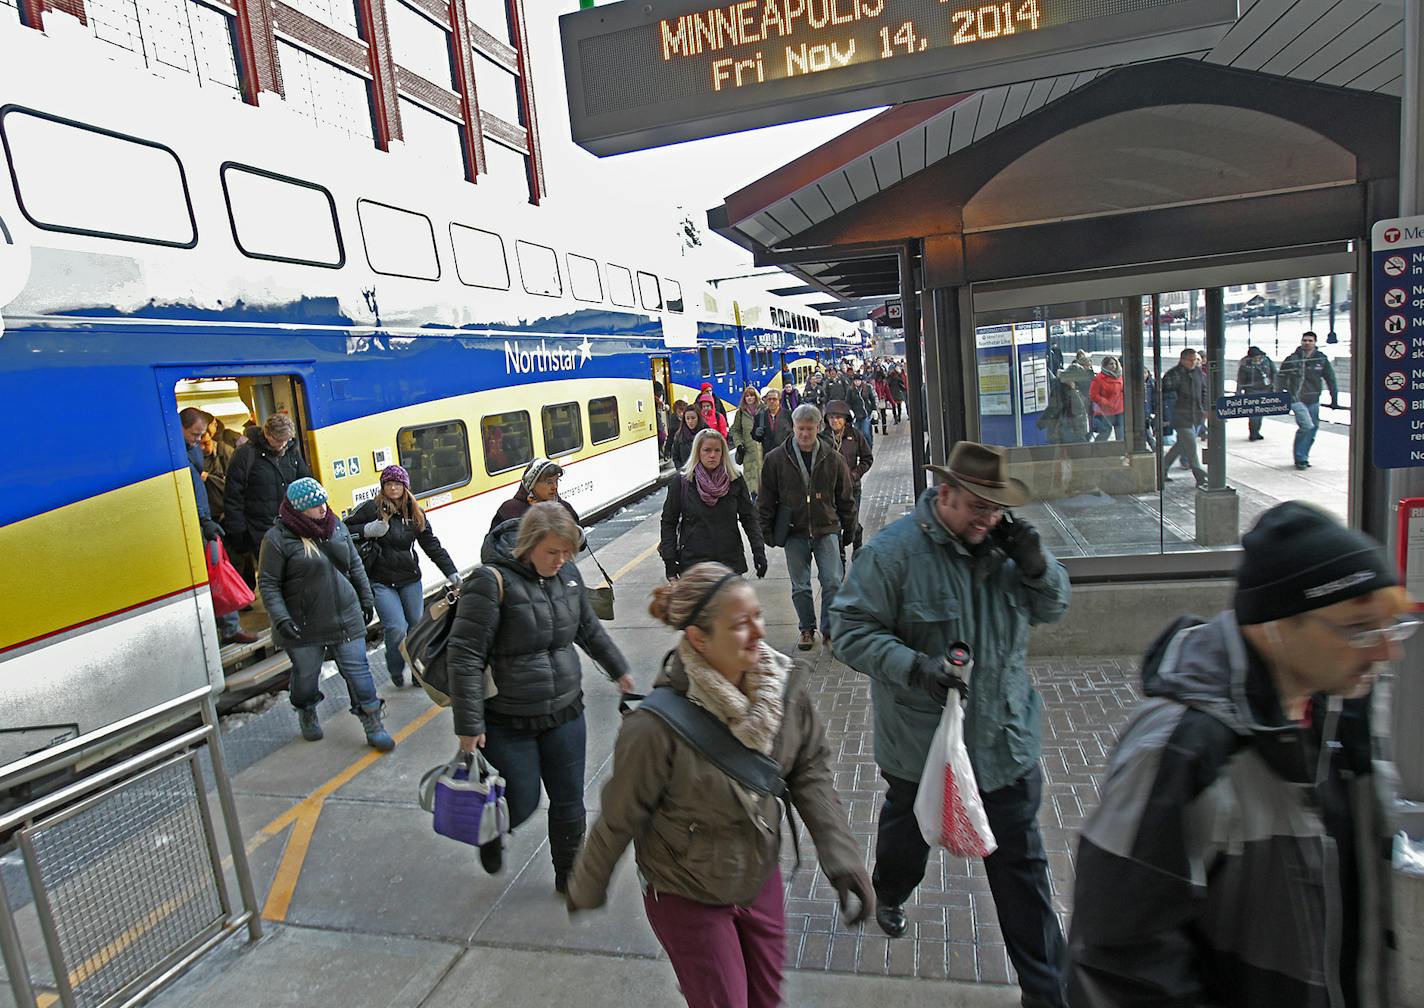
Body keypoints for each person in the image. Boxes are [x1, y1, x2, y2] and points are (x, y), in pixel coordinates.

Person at [1068, 502, 1411, 1008]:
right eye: (1358, 628)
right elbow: (1115, 961)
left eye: (1391, 627)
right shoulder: (1181, 752)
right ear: (1275, 624)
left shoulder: (1345, 719)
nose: (1387, 651)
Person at [829, 441, 1071, 1008]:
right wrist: (913, 668)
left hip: (1003, 746)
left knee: (1024, 880)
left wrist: (1039, 567)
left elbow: (1054, 607)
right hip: (923, 752)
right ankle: (890, 891)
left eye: (996, 508)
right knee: (907, 842)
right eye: (977, 507)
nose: (989, 519)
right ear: (945, 496)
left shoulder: (1007, 546)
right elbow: (849, 631)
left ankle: (1049, 994)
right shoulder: (893, 555)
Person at [567, 565, 874, 1008]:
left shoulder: (783, 689)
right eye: (739, 624)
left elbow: (809, 770)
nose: (757, 632)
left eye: (756, 616)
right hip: (684, 890)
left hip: (756, 875)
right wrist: (587, 883)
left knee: (766, 1000)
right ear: (698, 639)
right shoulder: (654, 729)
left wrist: (842, 857)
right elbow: (620, 815)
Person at [447, 502, 634, 886]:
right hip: (507, 719)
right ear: (528, 544)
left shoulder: (567, 574)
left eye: (567, 552)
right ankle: (493, 832)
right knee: (522, 800)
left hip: (565, 710)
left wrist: (619, 670)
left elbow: (588, 628)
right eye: (553, 552)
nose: (561, 560)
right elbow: (464, 656)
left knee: (569, 802)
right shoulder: (489, 582)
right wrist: (468, 725)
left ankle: (569, 874)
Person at [258, 477, 392, 751]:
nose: (322, 509)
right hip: (303, 623)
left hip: (345, 615)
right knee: (306, 675)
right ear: (298, 510)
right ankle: (306, 708)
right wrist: (281, 617)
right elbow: (269, 583)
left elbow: (355, 565)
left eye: (323, 501)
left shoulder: (336, 526)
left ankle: (372, 720)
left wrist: (366, 598)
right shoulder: (277, 539)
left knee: (358, 671)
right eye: (315, 505)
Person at [345, 464, 461, 687]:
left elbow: (431, 545)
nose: (393, 488)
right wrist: (367, 529)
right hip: (380, 580)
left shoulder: (414, 512)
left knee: (416, 626)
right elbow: (343, 530)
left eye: (398, 484)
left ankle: (419, 673)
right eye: (389, 484)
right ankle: (396, 669)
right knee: (396, 627)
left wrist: (451, 571)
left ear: (405, 487)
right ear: (382, 487)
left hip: (409, 579)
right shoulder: (371, 508)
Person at [757, 404, 855, 652]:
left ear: (818, 428)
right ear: (793, 427)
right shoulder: (776, 459)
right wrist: (766, 531)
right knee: (800, 585)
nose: (804, 434)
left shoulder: (833, 459)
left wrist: (850, 529)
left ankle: (830, 630)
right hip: (794, 531)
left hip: (826, 527)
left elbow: (845, 497)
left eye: (809, 429)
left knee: (832, 581)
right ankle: (807, 628)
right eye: (801, 429)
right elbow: (766, 498)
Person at [179, 408, 255, 645]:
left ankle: (230, 626)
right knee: (214, 575)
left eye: (202, 435)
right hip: (199, 521)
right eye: (194, 434)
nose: (198, 440)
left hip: (205, 520)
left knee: (217, 573)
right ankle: (226, 627)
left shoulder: (190, 451)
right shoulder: (180, 454)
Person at [660, 429, 767, 580]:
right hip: (694, 566)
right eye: (707, 450)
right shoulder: (683, 482)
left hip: (730, 563)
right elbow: (668, 522)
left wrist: (758, 551)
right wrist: (670, 562)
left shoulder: (734, 480)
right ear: (698, 452)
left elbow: (749, 518)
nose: (712, 455)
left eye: (717, 450)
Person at [224, 412, 312, 574]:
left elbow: (306, 482)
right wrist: (239, 533)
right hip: (261, 531)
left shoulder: (291, 451)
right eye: (279, 441)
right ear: (267, 433)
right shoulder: (245, 455)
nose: (283, 445)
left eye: (287, 440)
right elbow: (233, 497)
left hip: (292, 525)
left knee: (298, 574)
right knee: (273, 576)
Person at [1277, 331, 1340, 469]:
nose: (1307, 342)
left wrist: (1334, 398)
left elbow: (1331, 379)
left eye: (1310, 340)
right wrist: (1278, 396)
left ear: (1315, 342)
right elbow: (1281, 377)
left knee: (1313, 428)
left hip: (1313, 398)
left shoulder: (1321, 359)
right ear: (1301, 341)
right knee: (1307, 426)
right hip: (1296, 398)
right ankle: (1300, 458)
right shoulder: (1292, 359)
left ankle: (1304, 456)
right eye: (1304, 340)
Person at [822, 400, 873, 558]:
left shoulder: (855, 435)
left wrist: (854, 474)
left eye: (838, 417)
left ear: (845, 419)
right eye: (831, 417)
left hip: (852, 488)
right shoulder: (821, 438)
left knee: (851, 521)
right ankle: (840, 557)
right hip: (830, 490)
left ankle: (857, 538)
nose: (834, 421)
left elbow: (867, 458)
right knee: (835, 524)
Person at [490, 457, 581, 533]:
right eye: (548, 482)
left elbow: (581, 543)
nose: (555, 487)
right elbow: (492, 548)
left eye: (556, 481)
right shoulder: (509, 510)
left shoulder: (563, 507)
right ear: (532, 485)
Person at [1160, 348, 1208, 486]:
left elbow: (1204, 390)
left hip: (1196, 415)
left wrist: (1204, 409)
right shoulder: (1173, 375)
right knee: (1191, 446)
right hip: (1180, 416)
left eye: (1196, 360)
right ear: (1182, 360)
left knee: (1181, 445)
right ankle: (1201, 477)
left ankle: (1161, 469)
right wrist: (1167, 416)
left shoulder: (1198, 373)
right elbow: (1166, 398)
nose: (1194, 363)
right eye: (1191, 360)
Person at [728, 386, 765, 497]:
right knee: (751, 481)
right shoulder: (741, 413)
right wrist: (739, 444)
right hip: (748, 452)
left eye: (752, 396)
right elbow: (735, 430)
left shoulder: (764, 410)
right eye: (747, 396)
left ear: (756, 397)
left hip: (763, 449)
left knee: (765, 477)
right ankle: (754, 499)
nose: (749, 398)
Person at [1236, 344, 1278, 441]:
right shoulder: (1245, 366)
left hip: (1266, 390)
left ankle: (1256, 431)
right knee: (1254, 414)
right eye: (1254, 357)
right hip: (1251, 392)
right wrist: (1238, 392)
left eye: (1258, 357)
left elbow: (1274, 373)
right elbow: (1240, 380)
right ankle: (1253, 433)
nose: (1257, 359)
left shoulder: (1267, 361)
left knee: (1261, 413)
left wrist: (1275, 387)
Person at [1088, 356, 1125, 442]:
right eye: (1111, 364)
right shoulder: (1099, 378)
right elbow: (1093, 395)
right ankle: (1097, 450)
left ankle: (1120, 451)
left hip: (1119, 410)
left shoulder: (1120, 376)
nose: (1114, 366)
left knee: (1121, 436)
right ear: (1105, 366)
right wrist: (1105, 402)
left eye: (1115, 364)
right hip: (1105, 411)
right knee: (1105, 433)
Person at [751, 389, 793, 453]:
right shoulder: (760, 417)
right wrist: (756, 434)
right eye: (769, 399)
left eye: (774, 399)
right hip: (768, 454)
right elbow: (755, 436)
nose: (771, 401)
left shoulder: (789, 415)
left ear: (779, 400)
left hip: (786, 453)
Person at [669, 405, 706, 472]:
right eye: (687, 418)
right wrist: (681, 471)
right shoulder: (679, 435)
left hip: (706, 473)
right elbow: (675, 456)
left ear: (698, 418)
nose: (690, 421)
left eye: (693, 418)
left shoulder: (706, 433)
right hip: (687, 474)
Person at [850, 375, 877, 446]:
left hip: (866, 414)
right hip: (856, 415)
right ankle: (862, 450)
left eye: (858, 381)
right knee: (858, 434)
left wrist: (874, 409)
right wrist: (850, 411)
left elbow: (872, 399)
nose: (857, 382)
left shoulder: (867, 388)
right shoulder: (850, 390)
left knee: (865, 432)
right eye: (855, 381)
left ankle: (869, 446)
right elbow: (848, 402)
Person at [873, 370, 892, 434]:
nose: (880, 379)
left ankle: (884, 430)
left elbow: (888, 392)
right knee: (876, 415)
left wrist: (891, 401)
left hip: (882, 400)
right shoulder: (873, 383)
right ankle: (876, 427)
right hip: (875, 400)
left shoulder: (884, 383)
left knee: (883, 415)